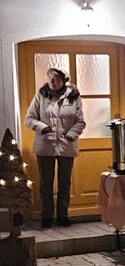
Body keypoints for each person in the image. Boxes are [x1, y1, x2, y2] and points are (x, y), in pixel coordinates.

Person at [24, 67, 86, 227]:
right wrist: (41, 127)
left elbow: (80, 121)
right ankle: (46, 217)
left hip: (66, 145)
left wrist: (71, 134)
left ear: (64, 81)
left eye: (56, 79)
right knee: (46, 183)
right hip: (45, 145)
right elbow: (29, 118)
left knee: (64, 183)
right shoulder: (41, 95)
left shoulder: (74, 97)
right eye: (50, 78)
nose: (53, 82)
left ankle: (63, 216)